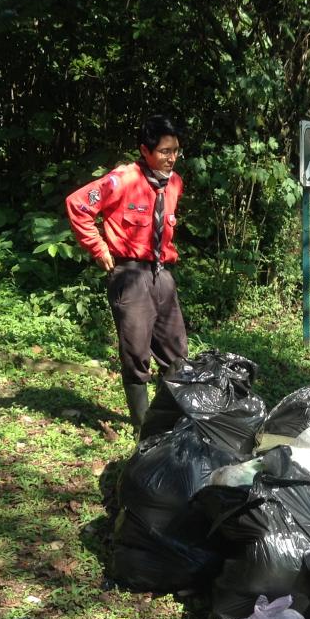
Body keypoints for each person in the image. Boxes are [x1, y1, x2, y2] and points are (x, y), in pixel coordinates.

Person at [65, 116, 189, 434]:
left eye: (175, 150)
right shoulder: (121, 179)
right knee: (136, 351)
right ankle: (141, 425)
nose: (171, 157)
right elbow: (78, 204)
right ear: (145, 151)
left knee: (177, 354)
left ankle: (170, 419)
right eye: (164, 151)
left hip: (161, 273)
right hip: (129, 274)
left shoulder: (174, 183)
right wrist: (99, 248)